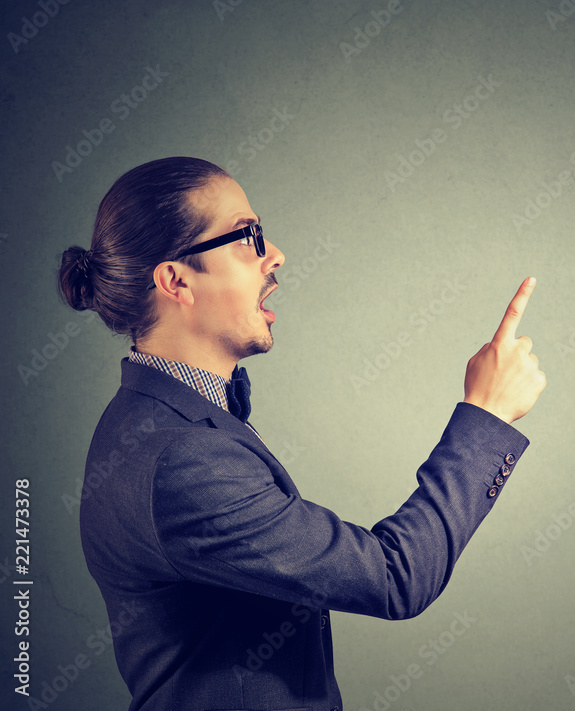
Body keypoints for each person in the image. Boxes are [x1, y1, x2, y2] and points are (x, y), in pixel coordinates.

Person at [57, 156, 546, 711]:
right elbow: (396, 576)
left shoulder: (160, 419)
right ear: (177, 281)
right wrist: (487, 414)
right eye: (247, 237)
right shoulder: (180, 458)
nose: (275, 255)